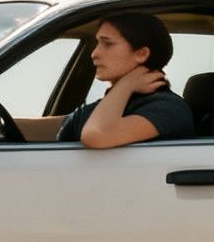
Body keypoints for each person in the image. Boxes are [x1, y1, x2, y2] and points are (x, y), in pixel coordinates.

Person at [55, 12, 195, 147]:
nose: (94, 54)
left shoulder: (168, 109)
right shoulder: (97, 110)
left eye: (108, 44)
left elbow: (97, 135)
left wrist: (128, 84)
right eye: (97, 43)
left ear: (142, 54)